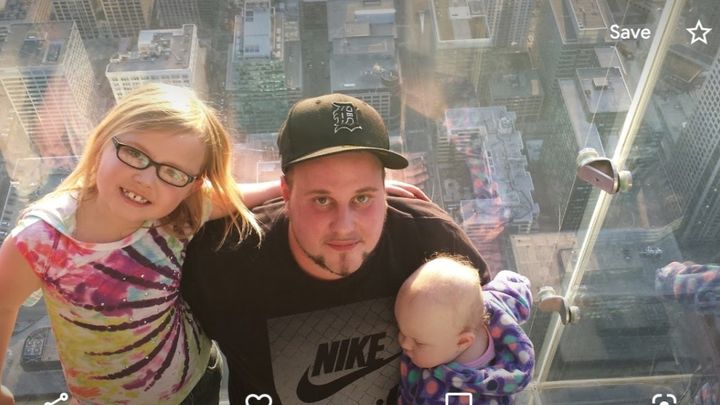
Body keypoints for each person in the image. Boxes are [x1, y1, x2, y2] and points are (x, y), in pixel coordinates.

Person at [181, 93, 490, 404]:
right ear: (286, 193)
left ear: (384, 189)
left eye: (363, 197)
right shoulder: (224, 263)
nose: (344, 226)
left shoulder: (432, 244)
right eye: (322, 200)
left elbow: (489, 346)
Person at [0, 83, 287, 405]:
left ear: (191, 187)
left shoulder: (177, 215)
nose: (146, 179)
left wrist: (287, 186)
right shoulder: (41, 240)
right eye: (134, 154)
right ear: (102, 141)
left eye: (173, 172)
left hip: (197, 379)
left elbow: (231, 196)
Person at [395, 255, 534, 405]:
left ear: (462, 341)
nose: (404, 344)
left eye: (418, 342)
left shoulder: (449, 397)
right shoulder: (487, 305)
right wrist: (520, 283)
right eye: (402, 330)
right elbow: (513, 291)